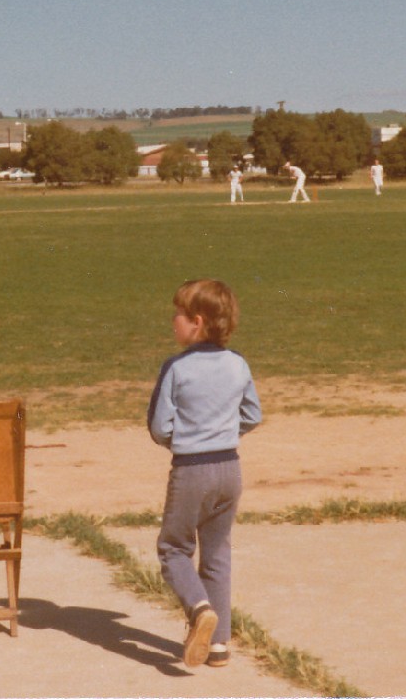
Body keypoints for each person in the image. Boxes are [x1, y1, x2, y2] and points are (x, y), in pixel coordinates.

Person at [147, 279, 261, 669]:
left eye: (177, 315)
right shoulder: (238, 363)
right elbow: (253, 414)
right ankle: (219, 646)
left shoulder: (176, 368)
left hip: (191, 469)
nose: (172, 321)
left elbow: (160, 427)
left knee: (173, 548)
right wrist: (225, 433)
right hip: (230, 467)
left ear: (196, 322)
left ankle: (199, 611)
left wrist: (186, 440)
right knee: (217, 553)